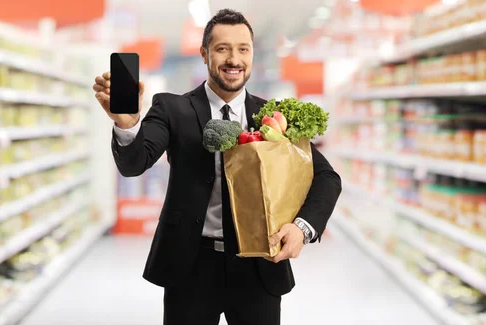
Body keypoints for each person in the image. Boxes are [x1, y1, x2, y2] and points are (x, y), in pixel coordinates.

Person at [92, 8, 342, 325]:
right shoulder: (172, 107)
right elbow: (134, 163)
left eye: (243, 49)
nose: (233, 59)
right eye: (222, 48)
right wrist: (127, 125)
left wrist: (302, 227)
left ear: (251, 54)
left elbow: (327, 178)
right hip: (190, 265)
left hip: (259, 264)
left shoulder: (275, 115)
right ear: (204, 53)